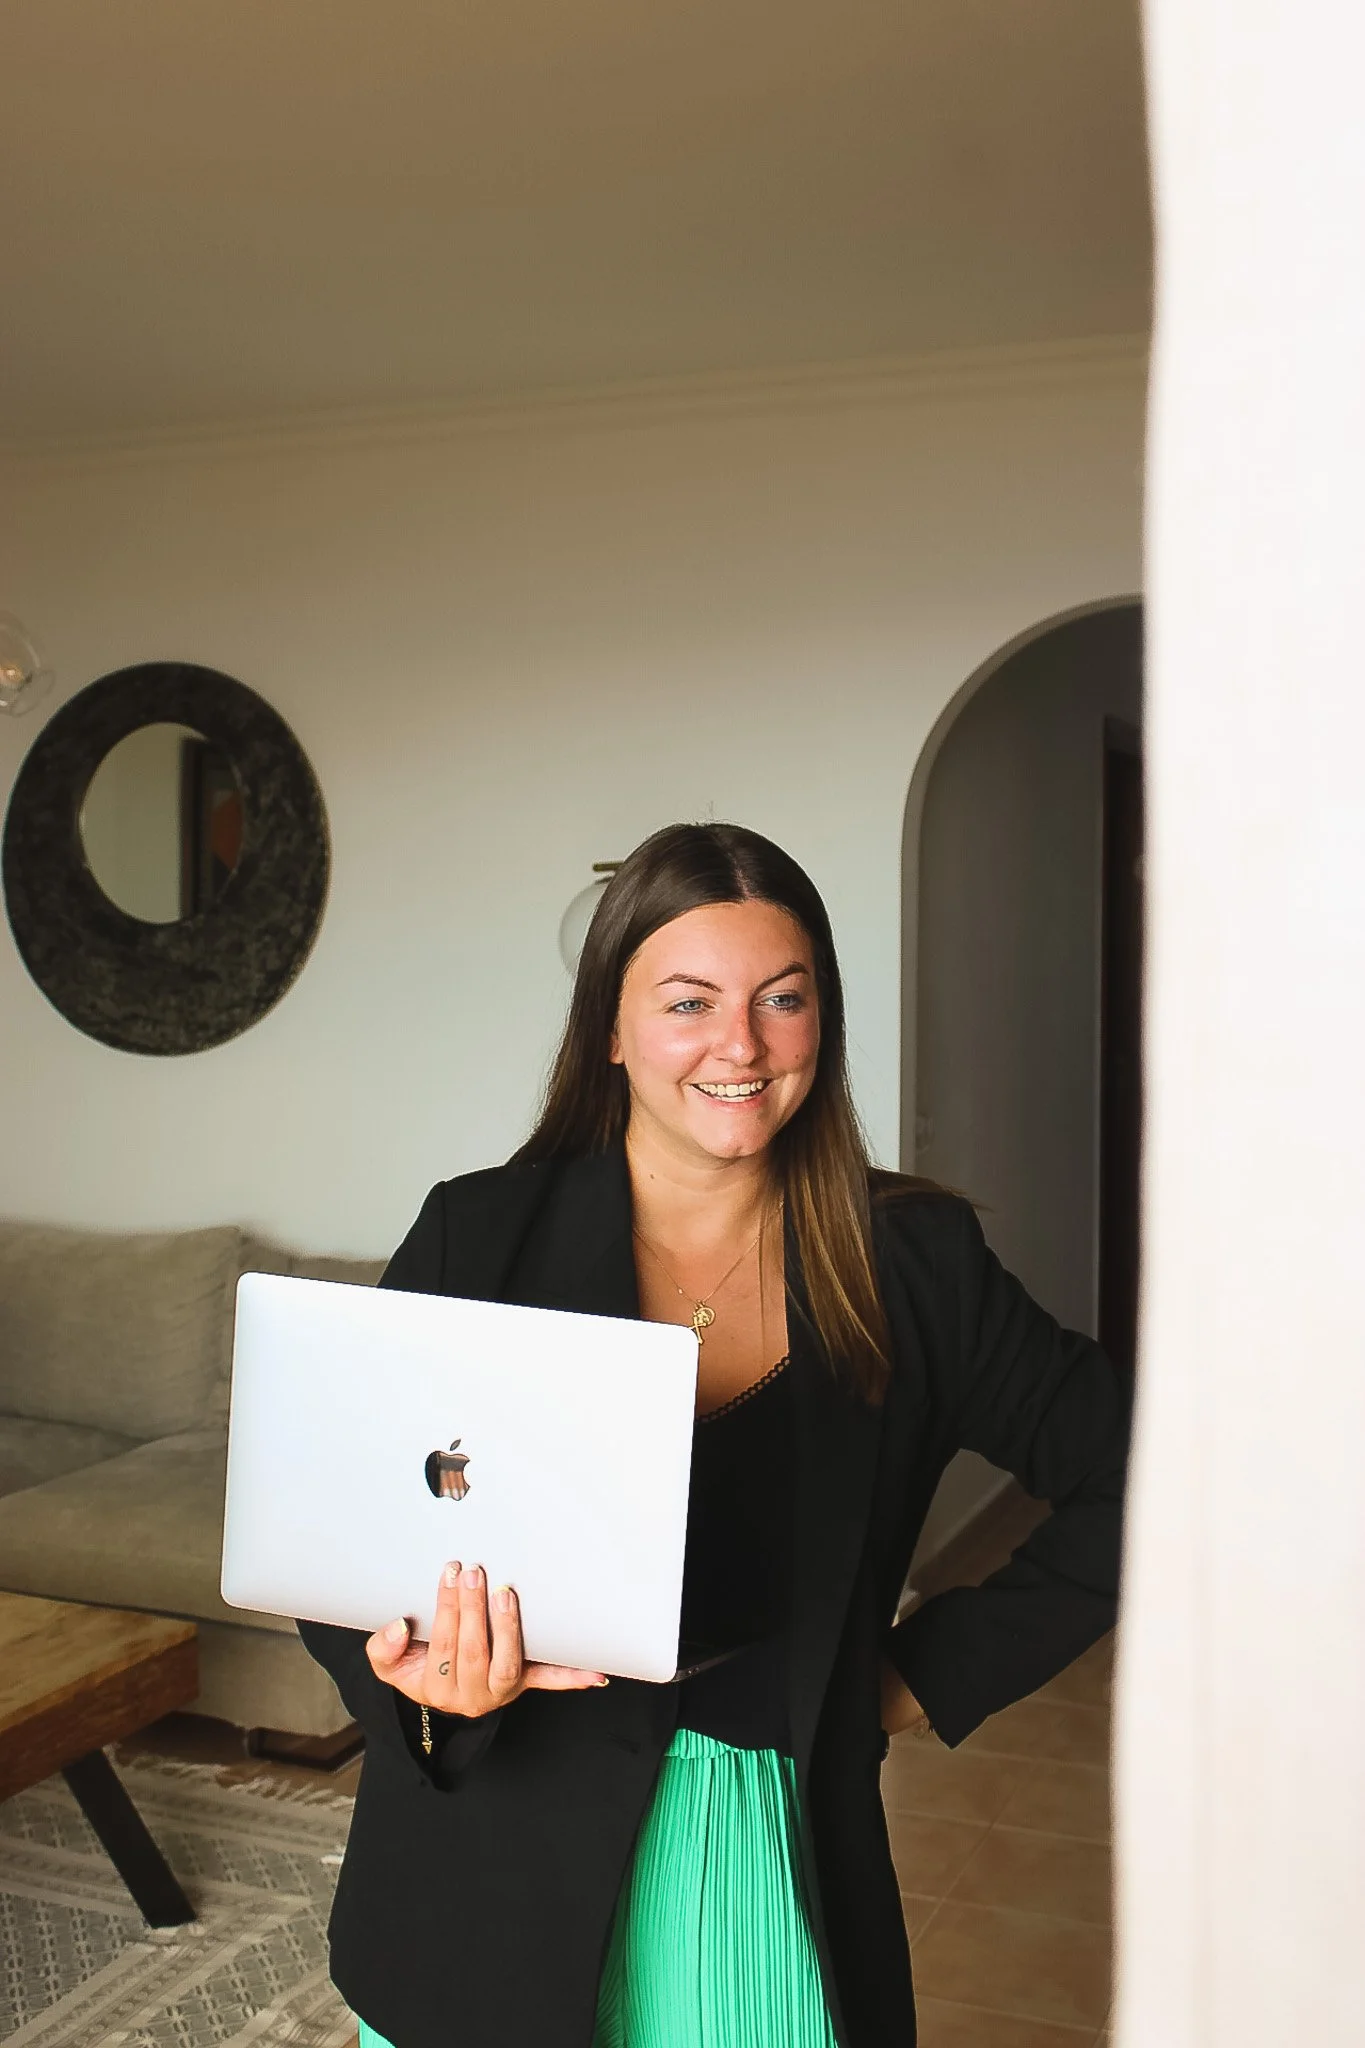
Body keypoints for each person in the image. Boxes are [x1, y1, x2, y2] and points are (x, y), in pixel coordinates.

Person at [297, 821, 1132, 2048]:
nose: (740, 1044)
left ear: (820, 1021)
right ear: (612, 1029)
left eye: (781, 998)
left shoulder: (916, 1262)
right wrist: (422, 1687)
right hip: (486, 1864)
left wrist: (922, 1675)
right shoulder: (479, 1234)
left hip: (763, 1860)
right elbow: (339, 1522)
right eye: (689, 1001)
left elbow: (1151, 1482)